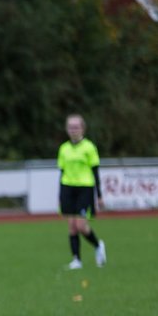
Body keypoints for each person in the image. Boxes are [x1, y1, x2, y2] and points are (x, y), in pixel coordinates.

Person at [58, 114, 106, 270]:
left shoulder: (89, 147)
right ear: (67, 129)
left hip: (84, 188)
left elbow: (96, 172)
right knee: (71, 226)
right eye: (70, 127)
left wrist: (99, 195)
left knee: (81, 225)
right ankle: (76, 260)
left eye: (76, 127)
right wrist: (60, 195)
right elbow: (62, 172)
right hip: (67, 187)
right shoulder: (63, 148)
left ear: (82, 129)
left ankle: (98, 245)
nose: (73, 130)